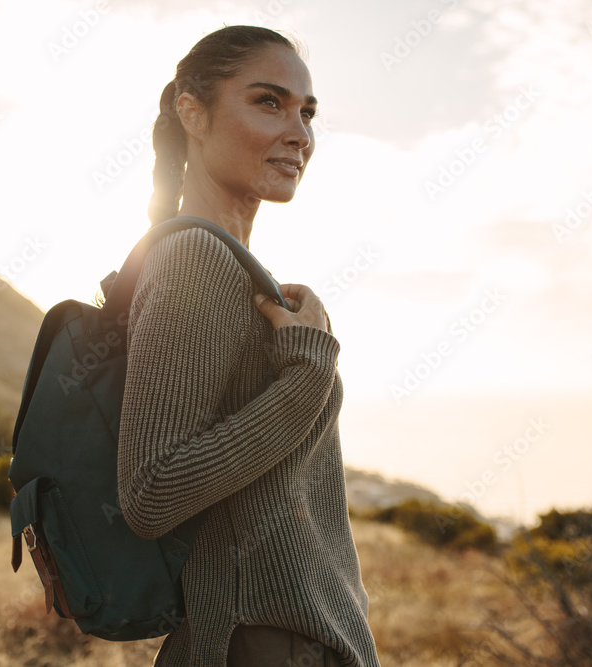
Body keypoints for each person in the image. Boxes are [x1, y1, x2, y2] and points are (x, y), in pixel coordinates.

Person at [116, 25, 380, 667]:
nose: (300, 132)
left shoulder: (233, 270)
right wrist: (307, 374)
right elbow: (151, 493)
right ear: (192, 112)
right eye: (269, 101)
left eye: (307, 112)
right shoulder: (194, 260)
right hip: (258, 647)